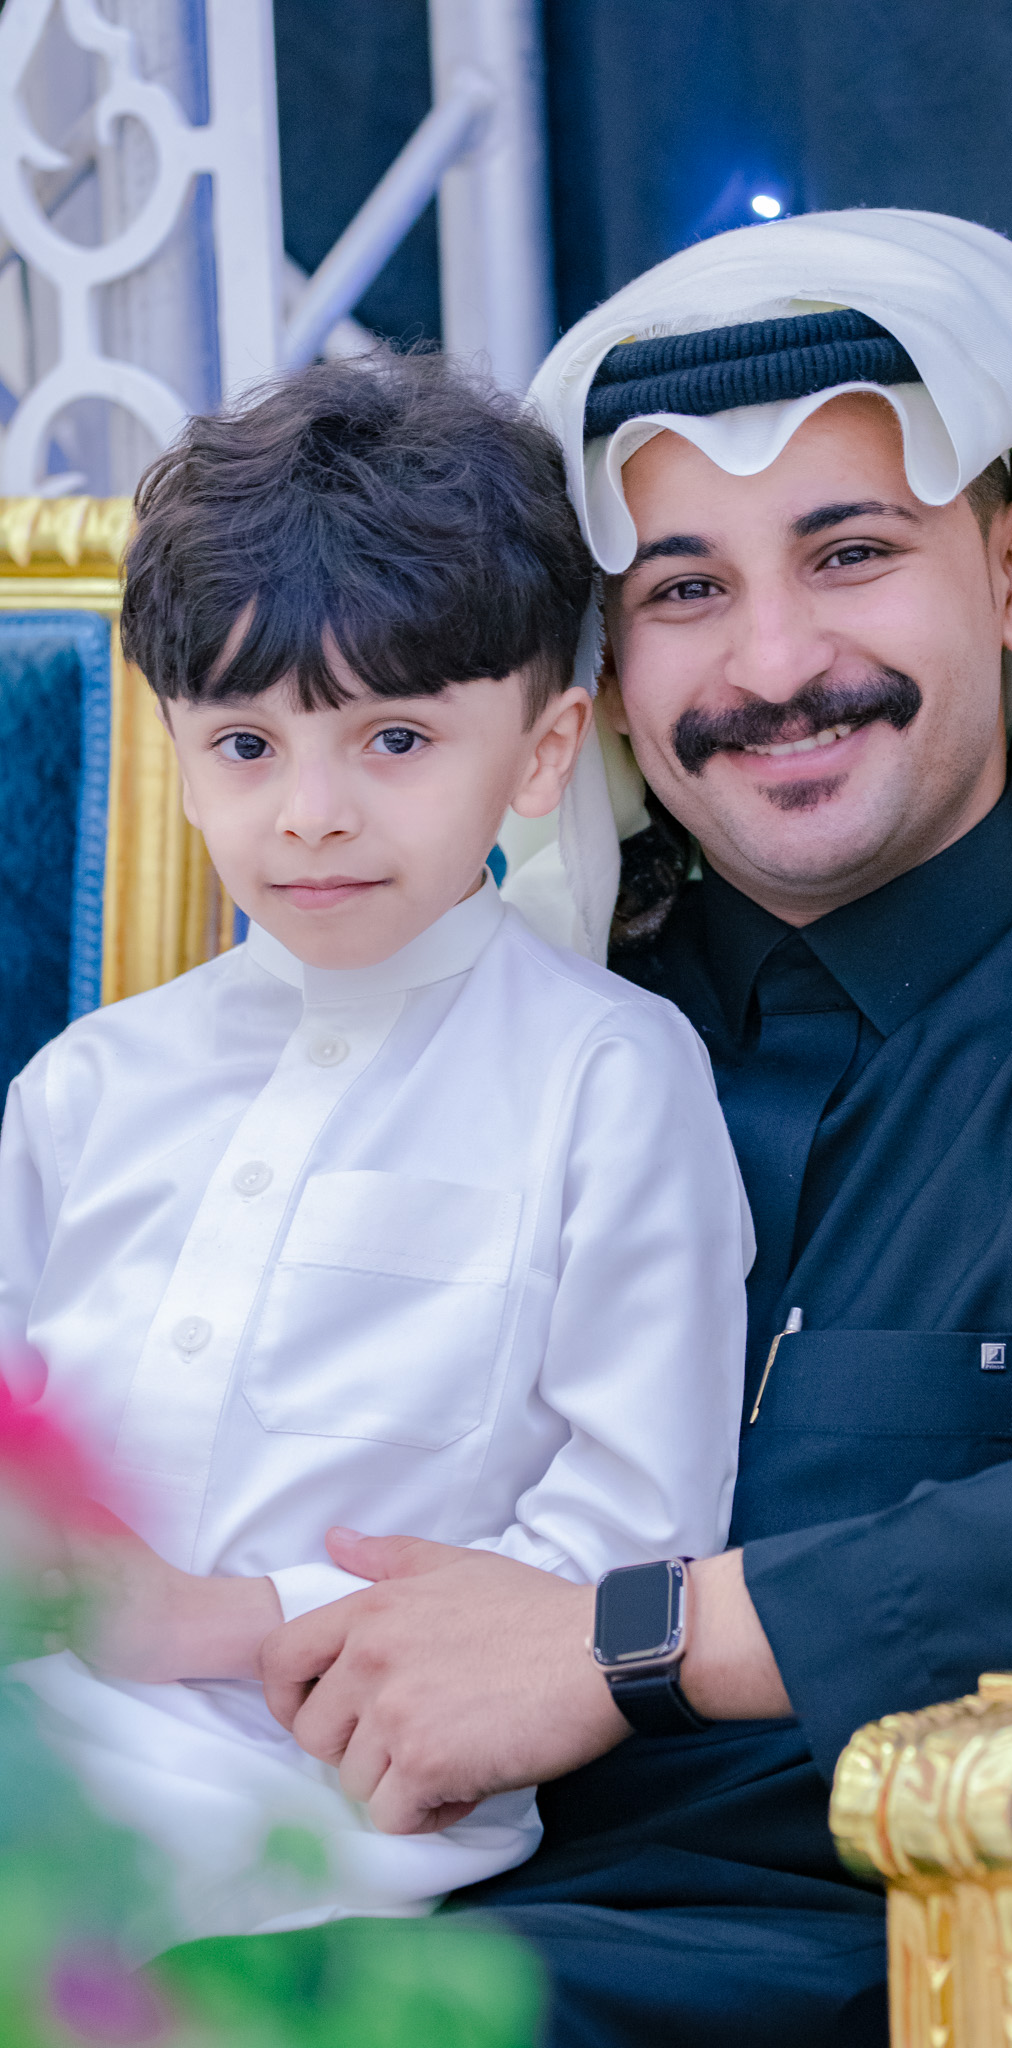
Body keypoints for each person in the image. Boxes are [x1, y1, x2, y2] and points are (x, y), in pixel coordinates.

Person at [258, 215, 1012, 2047]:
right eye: (683, 589)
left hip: (1006, 1927)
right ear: (606, 664)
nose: (773, 665)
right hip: (431, 1889)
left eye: (849, 554)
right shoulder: (500, 1051)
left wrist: (632, 1641)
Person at [0, 355, 751, 1948]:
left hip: (319, 1816)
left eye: (393, 740)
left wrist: (218, 1622)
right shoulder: (86, 1086)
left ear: (542, 751)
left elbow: (623, 1543)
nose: (311, 814)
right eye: (246, 746)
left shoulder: (606, 1078)